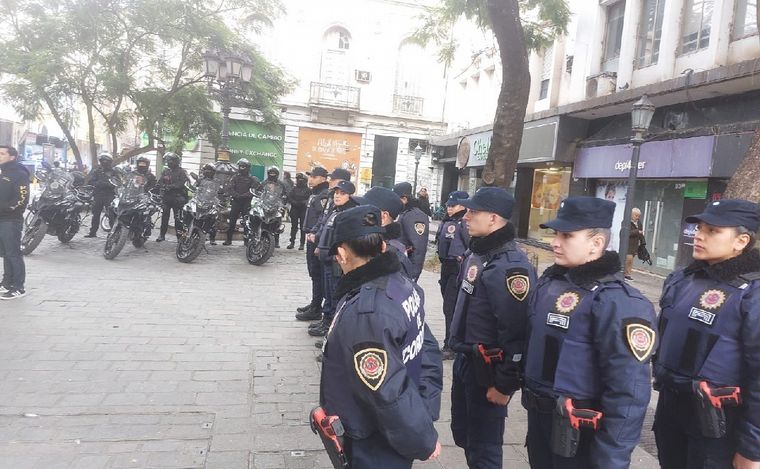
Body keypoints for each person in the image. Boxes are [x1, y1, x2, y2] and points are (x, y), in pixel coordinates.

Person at [522, 196, 656, 469]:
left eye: (567, 235)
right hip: (543, 422)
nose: (555, 242)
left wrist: (612, 458)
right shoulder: (552, 283)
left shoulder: (619, 301)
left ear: (596, 243)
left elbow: (628, 391)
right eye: (556, 234)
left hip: (581, 434)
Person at [318, 204, 442, 468]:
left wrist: (423, 438)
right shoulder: (401, 283)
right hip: (397, 425)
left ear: (341, 253)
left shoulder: (368, 312)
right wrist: (426, 409)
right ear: (383, 247)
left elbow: (387, 393)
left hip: (376, 438)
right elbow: (426, 347)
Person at [653, 199, 760, 469]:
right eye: (700, 227)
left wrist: (752, 448)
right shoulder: (681, 279)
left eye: (713, 231)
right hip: (672, 409)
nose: (699, 235)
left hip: (719, 423)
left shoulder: (752, 293)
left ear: (741, 240)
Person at [448, 187, 536, 468]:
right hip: (466, 360)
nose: (466, 216)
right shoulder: (480, 253)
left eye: (474, 212)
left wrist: (505, 384)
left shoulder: (511, 267)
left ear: (494, 218)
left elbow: (518, 332)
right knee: (464, 435)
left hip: (487, 371)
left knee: (484, 448)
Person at [311, 178, 359, 337]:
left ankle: (331, 330)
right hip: (326, 258)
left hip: (336, 262)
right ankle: (326, 322)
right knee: (329, 295)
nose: (337, 196)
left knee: (335, 295)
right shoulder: (335, 210)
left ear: (350, 196)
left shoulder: (349, 213)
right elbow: (326, 230)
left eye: (342, 193)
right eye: (336, 193)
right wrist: (320, 246)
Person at [435, 190, 469, 361]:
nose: (449, 208)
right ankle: (452, 341)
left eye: (453, 205)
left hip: (457, 268)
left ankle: (451, 345)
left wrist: (462, 258)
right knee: (448, 307)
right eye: (448, 205)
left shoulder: (464, 222)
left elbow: (471, 245)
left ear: (463, 205)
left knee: (451, 307)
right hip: (446, 266)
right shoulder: (447, 220)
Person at [295, 166, 330, 322]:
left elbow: (322, 218)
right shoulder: (315, 193)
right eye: (310, 176)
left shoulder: (324, 195)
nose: (310, 179)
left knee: (317, 273)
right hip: (310, 235)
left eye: (314, 177)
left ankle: (317, 307)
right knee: (313, 272)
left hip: (316, 238)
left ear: (323, 179)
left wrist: (316, 235)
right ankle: (314, 303)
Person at [361, 186, 413, 278]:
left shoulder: (389, 253)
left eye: (365, 210)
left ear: (383, 217)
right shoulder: (370, 241)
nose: (358, 213)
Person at [0, 145, 30, 300]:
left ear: (12, 157)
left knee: (13, 253)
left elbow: (22, 198)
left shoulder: (19, 173)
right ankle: (6, 282)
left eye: (2, 153)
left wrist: (6, 208)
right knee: (5, 253)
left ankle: (18, 287)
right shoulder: (3, 171)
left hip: (10, 219)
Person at [393, 182, 430, 281]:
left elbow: (418, 247)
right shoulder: (403, 213)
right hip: (399, 266)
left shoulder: (415, 216)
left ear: (404, 199)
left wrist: (413, 274)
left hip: (406, 270)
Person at [223, 159, 259, 245]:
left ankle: (246, 241)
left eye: (244, 166)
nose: (242, 168)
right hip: (236, 202)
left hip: (246, 203)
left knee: (247, 222)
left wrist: (244, 195)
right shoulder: (235, 177)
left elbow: (253, 190)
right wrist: (236, 195)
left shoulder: (252, 179)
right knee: (232, 222)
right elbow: (230, 188)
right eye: (241, 166)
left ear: (248, 168)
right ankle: (229, 240)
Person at [156, 152, 189, 242]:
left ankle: (180, 237)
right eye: (168, 161)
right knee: (164, 217)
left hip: (177, 198)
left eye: (170, 161)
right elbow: (161, 181)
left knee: (178, 219)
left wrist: (171, 186)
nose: (169, 163)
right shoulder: (166, 171)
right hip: (167, 197)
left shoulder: (182, 171)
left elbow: (181, 183)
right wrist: (161, 187)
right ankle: (162, 235)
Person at [85, 152, 118, 238]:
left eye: (106, 161)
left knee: (111, 214)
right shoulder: (97, 171)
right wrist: (98, 183)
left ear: (110, 162)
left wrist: (108, 184)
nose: (104, 162)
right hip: (98, 195)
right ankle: (92, 232)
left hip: (109, 195)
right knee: (96, 214)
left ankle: (112, 233)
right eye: (102, 161)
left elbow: (118, 182)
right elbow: (91, 181)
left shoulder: (114, 172)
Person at [260, 166, 288, 248]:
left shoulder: (281, 184)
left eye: (274, 173)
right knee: (263, 222)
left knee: (277, 222)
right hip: (265, 204)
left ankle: (276, 241)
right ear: (268, 174)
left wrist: (283, 202)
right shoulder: (264, 183)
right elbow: (259, 192)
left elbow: (285, 194)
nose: (272, 175)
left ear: (277, 174)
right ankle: (262, 238)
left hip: (276, 205)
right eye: (271, 173)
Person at [286, 172, 310, 250]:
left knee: (303, 227)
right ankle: (292, 242)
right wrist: (294, 202)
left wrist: (304, 202)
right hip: (295, 209)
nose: (299, 181)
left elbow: (310, 199)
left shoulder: (308, 190)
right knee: (294, 227)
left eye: (301, 179)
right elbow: (289, 197)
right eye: (298, 179)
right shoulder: (294, 188)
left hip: (303, 209)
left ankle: (302, 243)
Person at [625, 207, 645, 280]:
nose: (637, 217)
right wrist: (637, 232)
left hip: (635, 244)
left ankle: (628, 274)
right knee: (628, 258)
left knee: (631, 259)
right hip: (628, 244)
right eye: (636, 215)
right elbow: (627, 232)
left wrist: (643, 242)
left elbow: (641, 232)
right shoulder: (626, 222)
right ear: (631, 215)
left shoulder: (639, 223)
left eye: (638, 216)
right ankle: (626, 274)